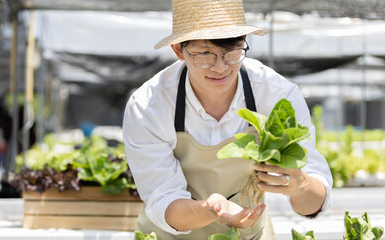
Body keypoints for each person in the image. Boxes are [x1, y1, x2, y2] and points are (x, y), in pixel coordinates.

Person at [123, 0, 333, 239]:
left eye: (231, 51)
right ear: (178, 50)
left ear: (244, 42)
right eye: (204, 54)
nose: (220, 67)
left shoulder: (276, 95)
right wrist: (211, 210)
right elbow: (163, 199)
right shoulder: (149, 105)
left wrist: (300, 184)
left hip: (247, 232)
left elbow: (314, 202)